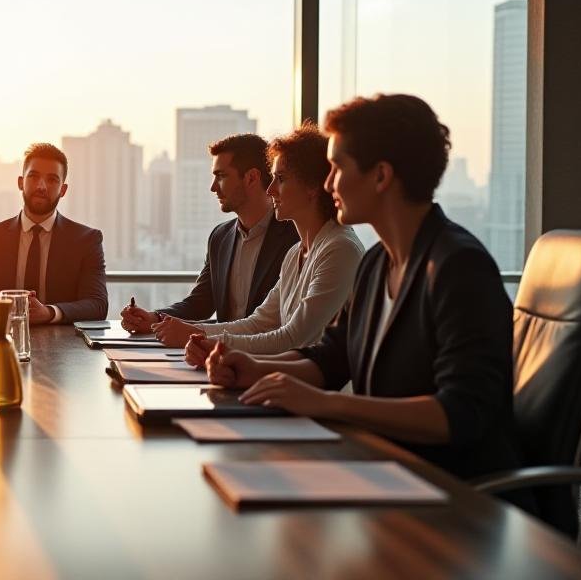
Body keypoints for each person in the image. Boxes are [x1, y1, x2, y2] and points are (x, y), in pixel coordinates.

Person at [202, 94, 523, 481]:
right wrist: (253, 369)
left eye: (337, 168)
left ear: (381, 176)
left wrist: (328, 404)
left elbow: (459, 414)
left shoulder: (458, 268)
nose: (328, 182)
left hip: (454, 493)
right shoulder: (376, 265)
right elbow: (333, 358)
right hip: (388, 469)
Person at [175, 125, 363, 360]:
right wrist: (197, 335)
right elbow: (259, 323)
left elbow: (293, 339)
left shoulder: (340, 249)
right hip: (284, 386)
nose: (271, 189)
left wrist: (210, 342)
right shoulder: (296, 253)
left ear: (313, 187)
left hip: (315, 393)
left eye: (281, 179)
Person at [122, 134, 298, 344]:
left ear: (251, 177)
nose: (213, 187)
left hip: (269, 359)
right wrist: (154, 318)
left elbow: (273, 324)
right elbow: (201, 303)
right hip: (218, 357)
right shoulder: (220, 237)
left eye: (221, 176)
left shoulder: (294, 237)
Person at [0, 143, 107, 324]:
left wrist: (49, 313)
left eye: (52, 180)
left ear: (63, 190)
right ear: (20, 182)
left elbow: (97, 305)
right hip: (3, 344)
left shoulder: (86, 240)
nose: (41, 186)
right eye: (33, 177)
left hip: (64, 348)